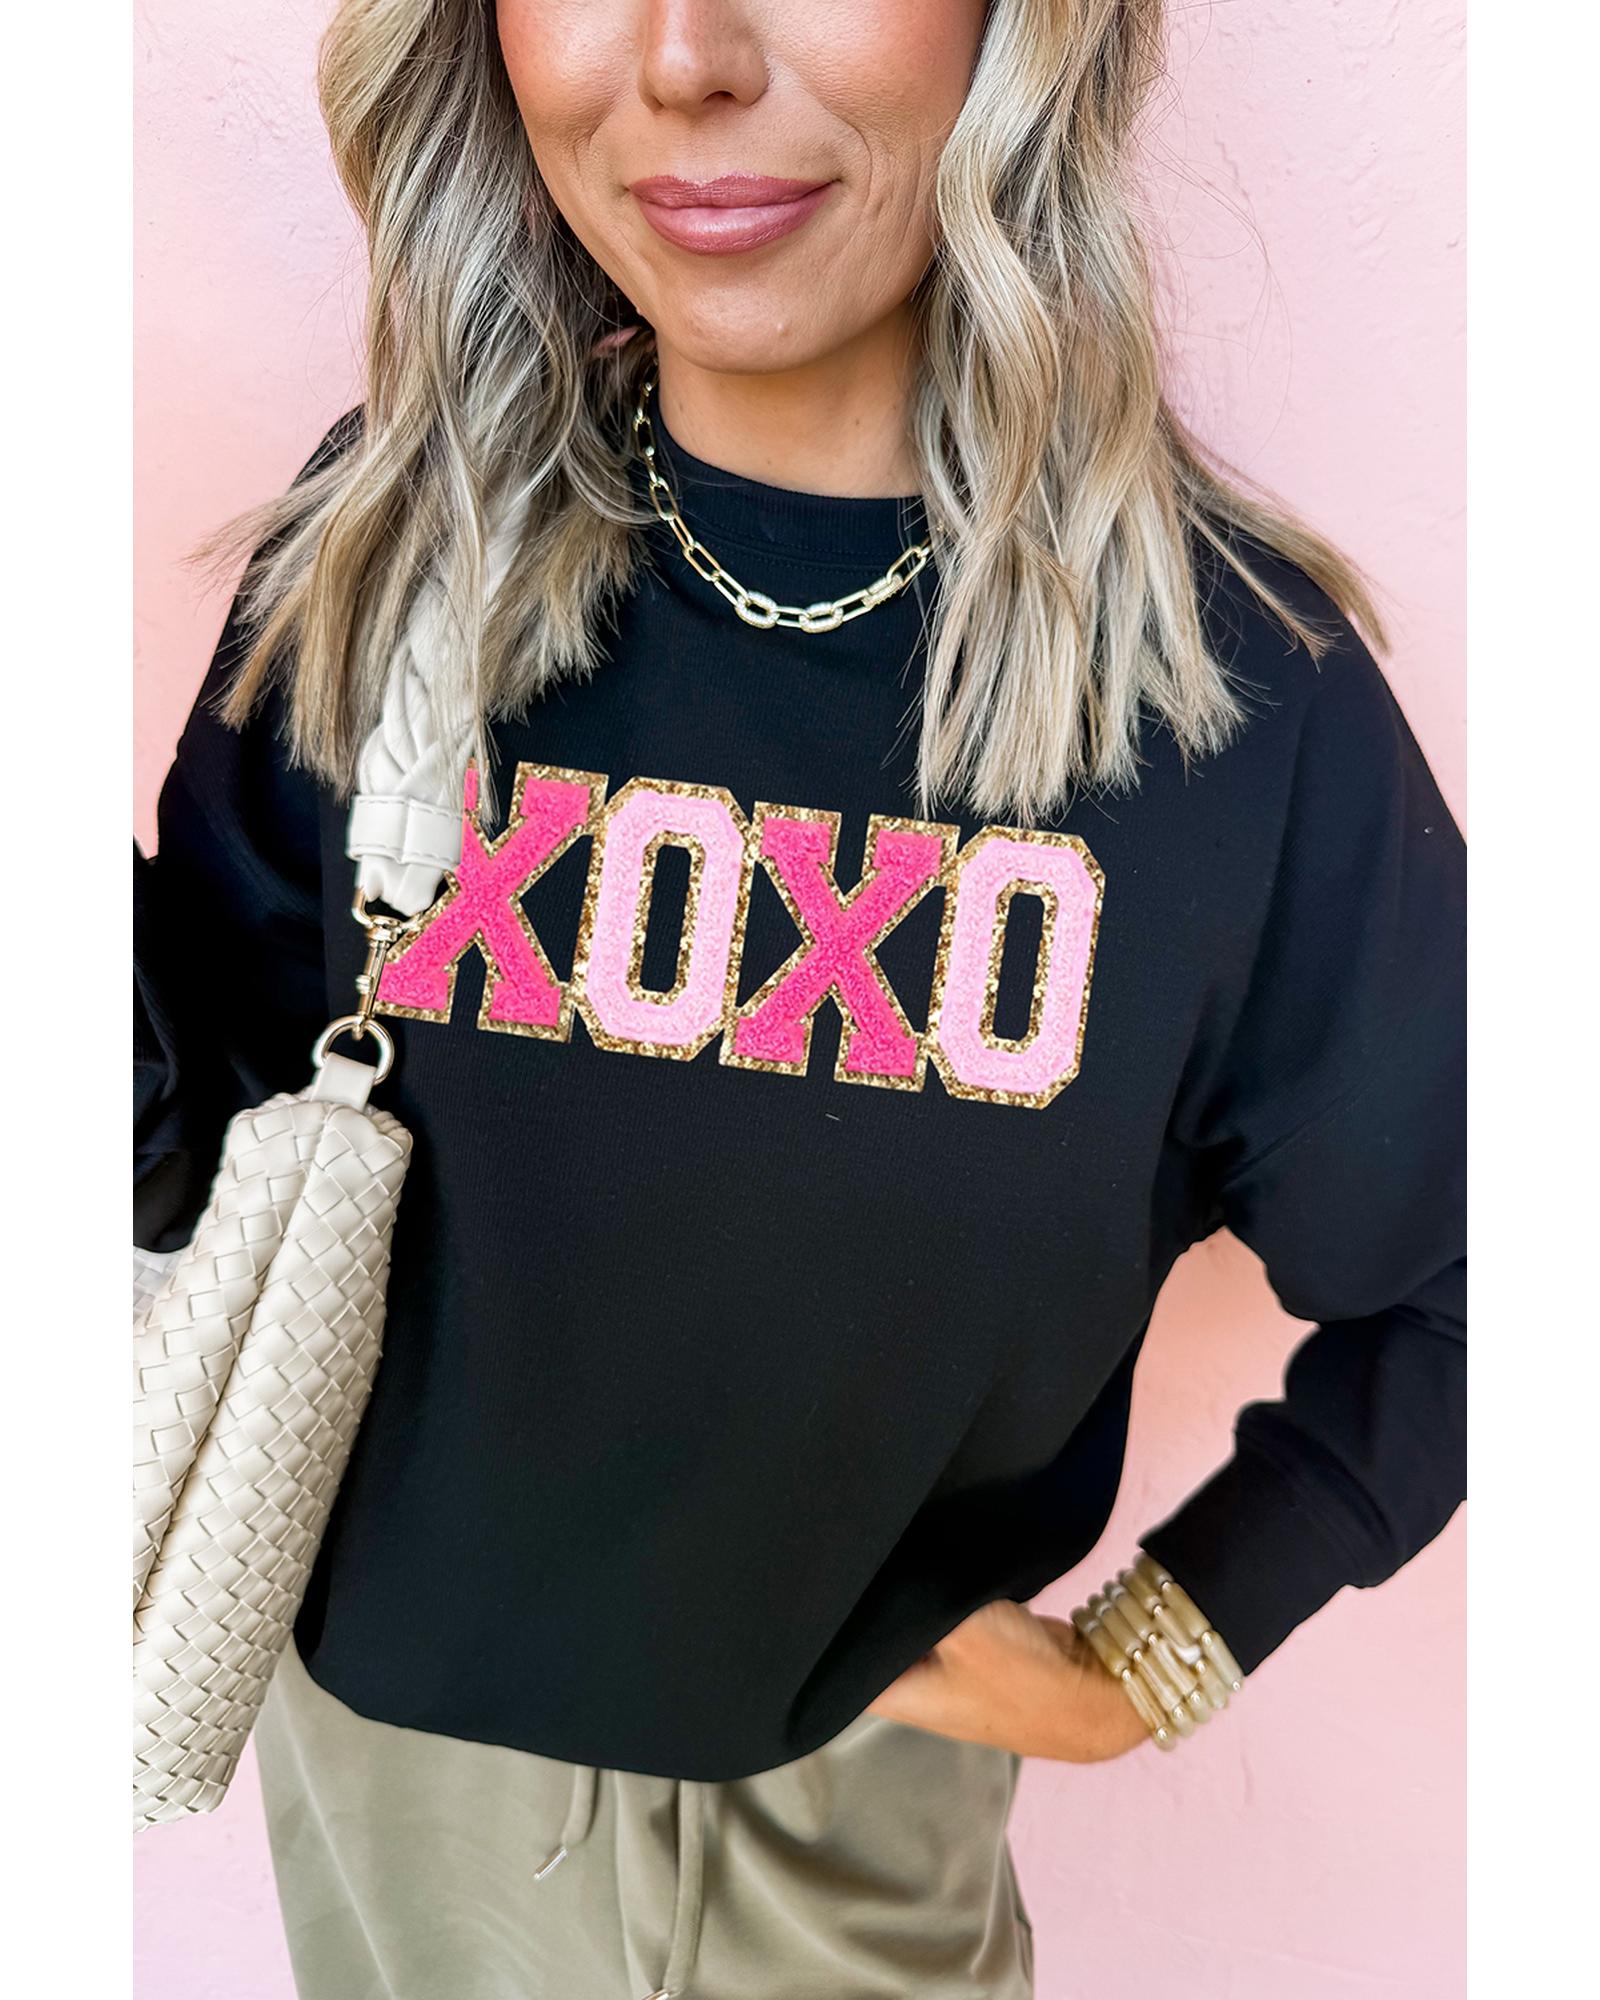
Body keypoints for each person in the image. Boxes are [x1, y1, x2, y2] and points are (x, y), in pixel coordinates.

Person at [133, 2, 1466, 1995]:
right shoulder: (401, 556)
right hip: (377, 1782)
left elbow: (1491, 1264)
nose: (683, 59)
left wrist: (1170, 1646)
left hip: (839, 1828)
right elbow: (188, 1144)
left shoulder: (1226, 700)